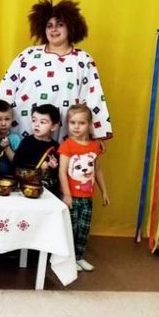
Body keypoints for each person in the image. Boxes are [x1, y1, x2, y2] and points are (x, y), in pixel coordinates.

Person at [0, 0, 112, 141]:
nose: (54, 29)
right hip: (22, 130)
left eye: (60, 24)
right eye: (49, 25)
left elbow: (93, 98)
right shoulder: (28, 55)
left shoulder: (82, 60)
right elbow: (7, 88)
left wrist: (97, 135)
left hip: (63, 132)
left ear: (71, 27)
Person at [58, 105, 110, 272]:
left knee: (83, 229)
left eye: (81, 123)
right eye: (72, 122)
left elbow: (98, 170)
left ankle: (79, 257)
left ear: (89, 125)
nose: (76, 126)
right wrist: (67, 194)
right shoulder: (67, 145)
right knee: (71, 229)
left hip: (87, 197)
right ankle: (69, 259)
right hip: (71, 197)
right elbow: (62, 171)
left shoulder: (94, 146)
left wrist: (104, 192)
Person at [12, 104, 61, 196]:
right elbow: (17, 164)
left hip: (47, 192)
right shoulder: (26, 142)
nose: (36, 125)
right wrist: (39, 168)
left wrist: (53, 167)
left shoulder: (55, 147)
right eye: (34, 120)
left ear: (54, 126)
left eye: (42, 122)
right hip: (26, 188)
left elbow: (58, 174)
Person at [0, 99, 21, 178]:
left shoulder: (15, 138)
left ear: (12, 119)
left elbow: (17, 163)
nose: (3, 124)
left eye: (7, 119)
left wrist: (7, 148)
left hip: (9, 179)